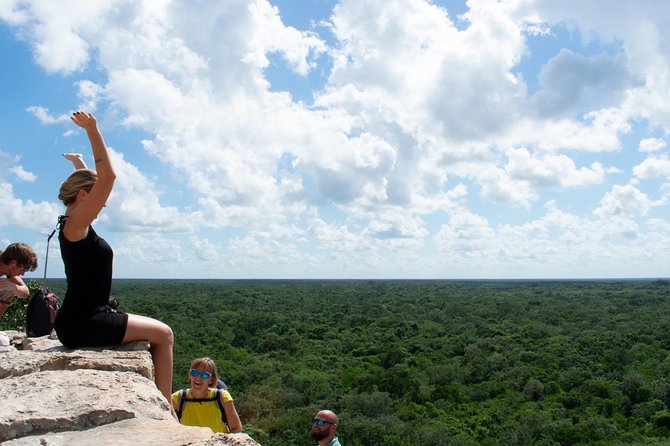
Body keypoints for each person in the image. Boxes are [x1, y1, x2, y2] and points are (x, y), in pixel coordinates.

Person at [54, 111, 174, 402]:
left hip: (80, 318)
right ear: (84, 196)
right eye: (98, 196)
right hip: (84, 321)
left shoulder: (75, 225)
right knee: (165, 334)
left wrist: (78, 163)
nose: (104, 202)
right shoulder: (75, 226)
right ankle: (165, 406)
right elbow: (108, 177)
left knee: (159, 331)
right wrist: (92, 130)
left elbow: (93, 182)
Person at [171, 357, 243, 433]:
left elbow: (236, 428)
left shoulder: (221, 397)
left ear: (211, 380)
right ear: (190, 375)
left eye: (204, 375)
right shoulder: (180, 397)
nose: (198, 378)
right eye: (194, 373)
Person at [0, 243, 38, 318]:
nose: (22, 274)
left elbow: (25, 293)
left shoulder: (9, 270)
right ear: (13, 263)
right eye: (22, 270)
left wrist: (14, 287)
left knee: (11, 288)